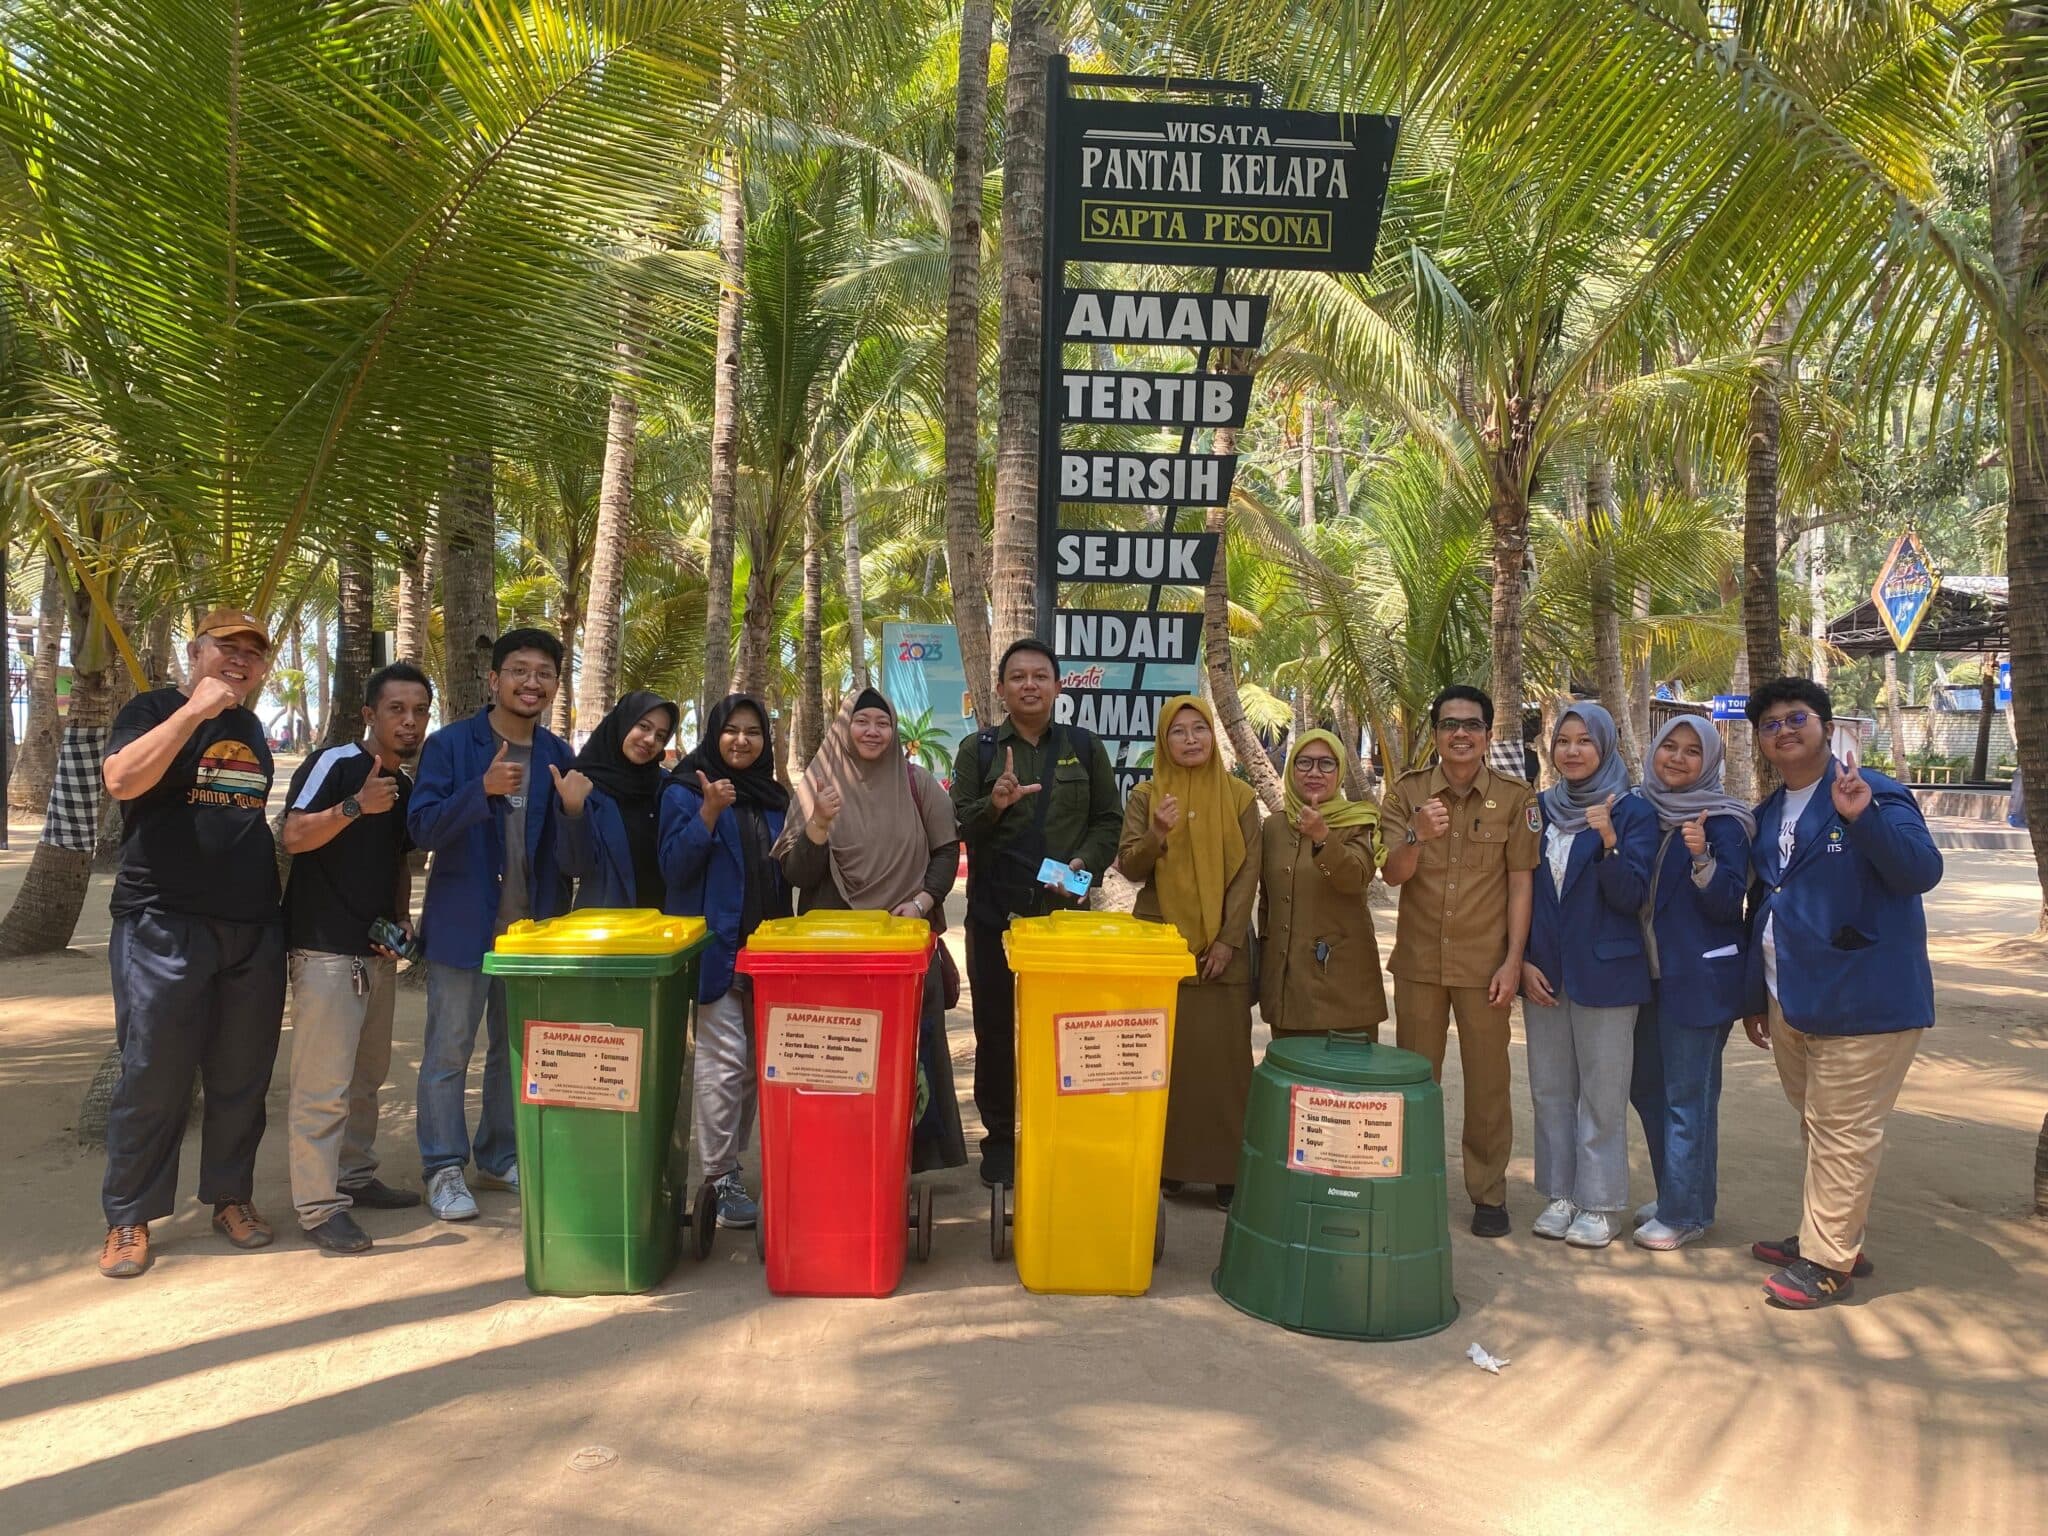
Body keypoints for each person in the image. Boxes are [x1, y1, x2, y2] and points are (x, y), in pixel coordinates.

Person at [96, 608, 287, 1278]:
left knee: (242, 1075)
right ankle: (129, 1216)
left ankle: (231, 1198)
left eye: (252, 654)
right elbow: (121, 781)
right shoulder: (150, 709)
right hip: (162, 922)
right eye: (227, 649)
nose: (240, 661)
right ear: (195, 652)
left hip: (250, 926)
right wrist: (192, 713)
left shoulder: (252, 728)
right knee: (154, 1074)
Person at [1742, 678, 1942, 1309]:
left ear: (1826, 727)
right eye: (1770, 723)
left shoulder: (1871, 791)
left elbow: (1920, 870)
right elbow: (1765, 906)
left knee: (1843, 1131)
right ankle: (1832, 1234)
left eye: (1796, 717)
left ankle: (1827, 1261)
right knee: (1819, 1127)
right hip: (1792, 998)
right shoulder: (1771, 811)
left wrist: (1863, 819)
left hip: (1864, 1000)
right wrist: (1757, 995)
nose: (1783, 729)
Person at [407, 628, 575, 1222]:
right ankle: (443, 1166)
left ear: (556, 684)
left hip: (531, 937)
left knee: (515, 1052)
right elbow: (421, 828)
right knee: (448, 1051)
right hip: (462, 929)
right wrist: (478, 791)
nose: (532, 683)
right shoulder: (452, 746)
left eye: (544, 674)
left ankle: (499, 1155)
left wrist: (577, 812)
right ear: (494, 679)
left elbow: (570, 856)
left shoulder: (557, 754)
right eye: (520, 671)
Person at [949, 637, 1122, 1187]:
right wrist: (993, 805)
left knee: (1068, 1031)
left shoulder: (1085, 746)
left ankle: (1062, 1132)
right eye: (1018, 676)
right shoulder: (976, 751)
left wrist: (1082, 867)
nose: (1029, 684)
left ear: (1057, 684)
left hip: (1064, 913)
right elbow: (960, 827)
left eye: (1040, 675)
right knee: (995, 1031)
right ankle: (1000, 1140)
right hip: (993, 914)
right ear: (999, 689)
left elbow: (1108, 821)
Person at [775, 689, 968, 1173]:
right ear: (844, 729)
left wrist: (922, 902)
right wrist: (819, 822)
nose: (872, 731)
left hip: (903, 946)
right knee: (837, 1053)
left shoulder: (917, 783)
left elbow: (946, 851)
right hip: (833, 951)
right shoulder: (817, 784)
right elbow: (796, 875)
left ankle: (907, 1159)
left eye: (882, 723)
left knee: (909, 1055)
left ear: (894, 731)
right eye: (861, 721)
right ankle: (835, 1155)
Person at [278, 663, 434, 1254]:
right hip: (322, 950)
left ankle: (355, 1175)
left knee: (367, 1077)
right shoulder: (337, 763)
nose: (409, 720)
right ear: (369, 714)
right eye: (396, 709)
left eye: (419, 710)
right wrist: (353, 807)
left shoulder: (406, 786)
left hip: (375, 952)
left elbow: (399, 861)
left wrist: (401, 919)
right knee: (323, 1083)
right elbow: (292, 835)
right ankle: (319, 1207)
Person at [1378, 685, 1539, 1238]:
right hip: (1420, 962)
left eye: (1472, 725)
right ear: (1436, 734)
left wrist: (1513, 961)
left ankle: (1488, 1195)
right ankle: (1413, 1186)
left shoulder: (1517, 798)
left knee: (1489, 1084)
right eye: (1450, 725)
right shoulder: (1407, 793)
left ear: (1488, 734)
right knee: (1415, 1082)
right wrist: (1415, 835)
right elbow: (1392, 874)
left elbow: (1521, 885)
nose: (1461, 734)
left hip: (1485, 966)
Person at [1521, 701, 1659, 1250]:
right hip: (1545, 973)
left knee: (1602, 1095)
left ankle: (1600, 1203)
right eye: (1563, 741)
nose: (1573, 751)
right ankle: (1560, 1193)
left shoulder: (1632, 810)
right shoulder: (1540, 810)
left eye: (1585, 741)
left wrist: (1608, 841)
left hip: (1607, 975)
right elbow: (1523, 892)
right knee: (1550, 1089)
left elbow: (1631, 896)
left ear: (1604, 747)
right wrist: (1525, 957)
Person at [1117, 696, 1262, 1208]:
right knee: (1161, 1061)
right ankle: (1170, 1165)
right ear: (1163, 740)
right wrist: (1156, 832)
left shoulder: (1241, 797)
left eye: (1200, 728)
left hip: (1223, 950)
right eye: (1178, 731)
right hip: (1162, 947)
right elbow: (1131, 868)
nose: (1191, 739)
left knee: (1226, 1064)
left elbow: (1247, 876)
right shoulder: (1146, 796)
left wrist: (1226, 939)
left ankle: (1226, 1170)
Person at [662, 695, 790, 1228]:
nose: (741, 740)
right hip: (718, 948)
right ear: (713, 734)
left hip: (771, 951)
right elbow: (674, 868)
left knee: (759, 1068)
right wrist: (708, 813)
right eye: (731, 730)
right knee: (724, 1063)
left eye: (753, 732)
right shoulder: (684, 789)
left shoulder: (776, 797)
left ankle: (730, 1166)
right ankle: (718, 1174)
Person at [1627, 715, 1754, 1252]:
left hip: (1698, 979)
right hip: (1646, 979)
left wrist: (1701, 855)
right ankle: (1679, 1194)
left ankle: (1685, 1212)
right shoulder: (1641, 812)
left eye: (1691, 752)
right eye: (1669, 748)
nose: (1677, 758)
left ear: (1710, 762)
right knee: (1648, 1087)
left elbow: (1729, 900)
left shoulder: (1724, 820)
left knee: (1687, 1095)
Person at [1257, 729, 1388, 1038]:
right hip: (1288, 991)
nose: (1314, 772)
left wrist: (1322, 836)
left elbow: (1355, 878)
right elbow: (1268, 903)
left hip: (1343, 990)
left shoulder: (1360, 821)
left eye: (1326, 764)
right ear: (1291, 770)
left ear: (1340, 770)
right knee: (1291, 1083)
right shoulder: (1275, 826)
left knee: (1344, 1085)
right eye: (1304, 763)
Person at [554, 690, 680, 908]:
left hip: (664, 930)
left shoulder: (666, 786)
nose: (650, 740)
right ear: (623, 722)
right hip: (608, 930)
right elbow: (574, 866)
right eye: (643, 726)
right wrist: (573, 811)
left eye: (660, 736)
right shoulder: (584, 783)